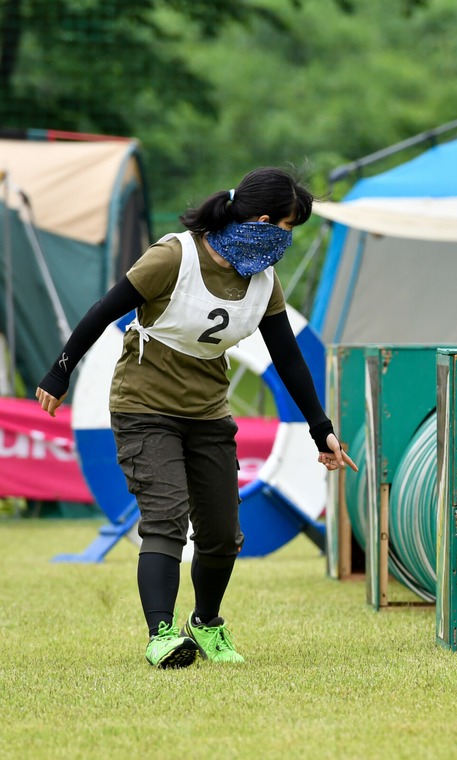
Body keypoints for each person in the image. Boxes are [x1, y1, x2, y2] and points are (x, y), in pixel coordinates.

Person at [35, 166, 357, 669]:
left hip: (208, 414)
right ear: (263, 222)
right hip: (144, 408)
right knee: (165, 519)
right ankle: (161, 635)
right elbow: (103, 310)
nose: (287, 240)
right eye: (287, 228)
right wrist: (60, 372)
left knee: (222, 534)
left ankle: (205, 624)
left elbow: (289, 358)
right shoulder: (174, 257)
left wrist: (322, 429)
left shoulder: (264, 282)